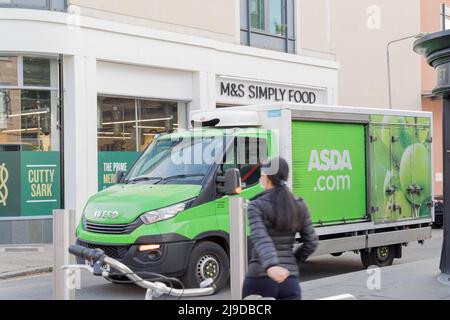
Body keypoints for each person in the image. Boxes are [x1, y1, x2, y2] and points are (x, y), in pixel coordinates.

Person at [242, 157, 318, 300]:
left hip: (260, 278)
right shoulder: (299, 204)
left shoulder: (256, 205)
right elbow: (311, 242)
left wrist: (271, 266)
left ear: (266, 177)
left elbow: (261, 238)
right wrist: (292, 261)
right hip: (289, 280)